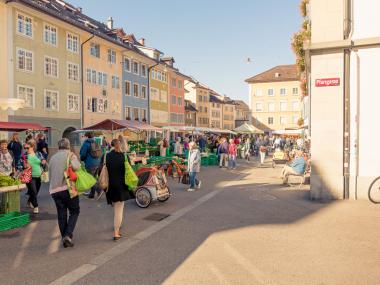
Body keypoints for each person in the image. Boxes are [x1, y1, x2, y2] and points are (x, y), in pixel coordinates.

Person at [48, 138, 81, 248]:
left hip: (54, 190)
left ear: (59, 146)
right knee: (75, 211)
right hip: (68, 189)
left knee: (61, 214)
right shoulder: (71, 155)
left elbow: (50, 173)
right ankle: (67, 235)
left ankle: (64, 238)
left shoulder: (52, 158)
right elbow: (77, 167)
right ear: (68, 146)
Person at [106, 139, 133, 240]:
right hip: (121, 186)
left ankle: (116, 224)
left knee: (115, 207)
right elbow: (129, 169)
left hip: (110, 186)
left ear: (111, 145)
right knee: (119, 210)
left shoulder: (106, 156)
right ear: (120, 145)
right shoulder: (124, 156)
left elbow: (101, 169)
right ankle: (116, 232)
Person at [24, 139, 46, 214]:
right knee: (33, 191)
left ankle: (30, 200)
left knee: (35, 192)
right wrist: (24, 166)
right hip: (29, 176)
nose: (26, 149)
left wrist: (43, 161)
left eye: (28, 148)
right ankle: (36, 206)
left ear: (33, 147)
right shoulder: (25, 155)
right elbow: (19, 165)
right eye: (25, 148)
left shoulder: (38, 153)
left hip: (38, 175)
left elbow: (43, 161)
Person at [80, 132, 102, 199]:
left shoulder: (86, 143)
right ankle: (92, 194)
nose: (83, 137)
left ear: (87, 136)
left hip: (90, 164)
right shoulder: (96, 142)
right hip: (98, 163)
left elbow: (83, 154)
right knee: (94, 178)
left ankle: (99, 189)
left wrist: (82, 159)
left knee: (91, 179)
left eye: (84, 136)